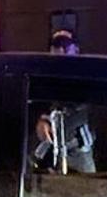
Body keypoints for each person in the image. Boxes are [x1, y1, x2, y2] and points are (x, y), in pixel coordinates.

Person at [33, 30, 96, 173]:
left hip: (79, 154)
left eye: (65, 44)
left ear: (76, 50)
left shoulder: (87, 76)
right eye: (55, 44)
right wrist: (42, 120)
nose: (60, 48)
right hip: (49, 153)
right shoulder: (42, 78)